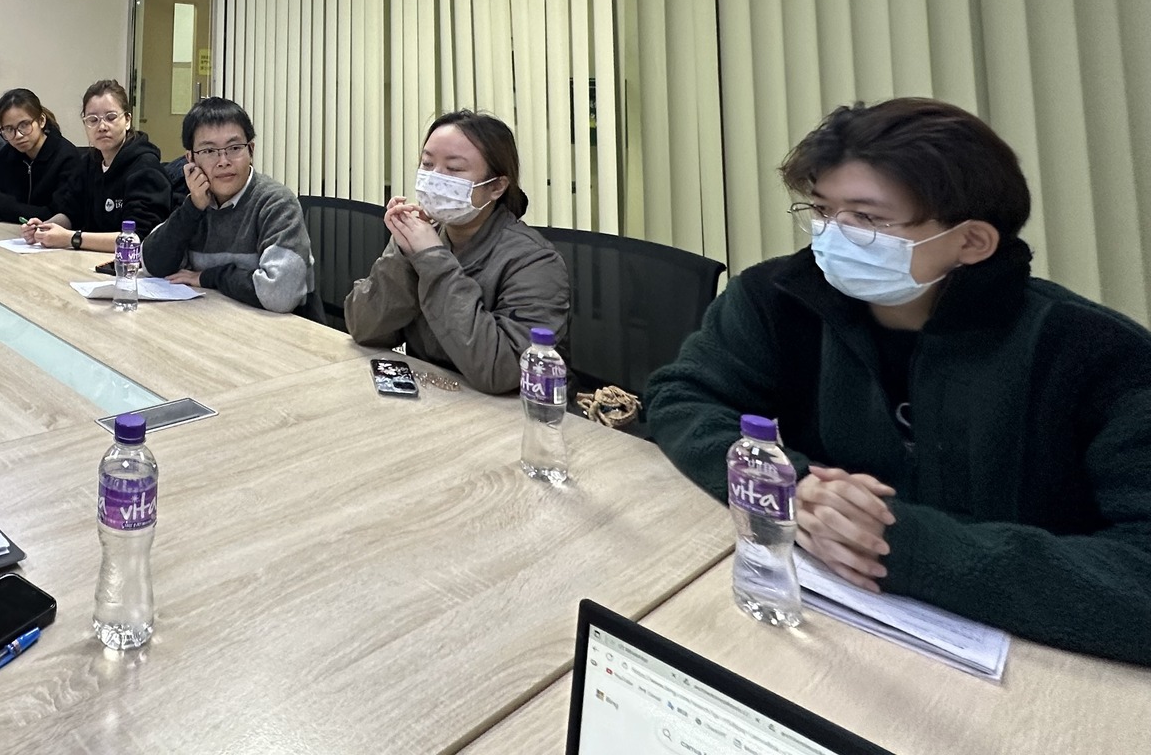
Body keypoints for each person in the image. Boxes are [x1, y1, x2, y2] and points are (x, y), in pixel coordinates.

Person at [647, 98, 1151, 664]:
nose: (832, 236)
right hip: (828, 627)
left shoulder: (1097, 354)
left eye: (868, 219)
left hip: (1040, 663)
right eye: (822, 210)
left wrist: (904, 546)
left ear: (971, 241)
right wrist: (789, 488)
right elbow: (683, 396)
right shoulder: (778, 298)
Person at [344, 110, 570, 395]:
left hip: (504, 411)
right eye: (427, 164)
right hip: (432, 395)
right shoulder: (424, 234)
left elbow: (501, 370)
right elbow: (364, 329)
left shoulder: (535, 262)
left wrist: (432, 258)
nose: (434, 178)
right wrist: (403, 252)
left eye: (454, 169)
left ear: (496, 187)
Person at [144, 97, 312, 313]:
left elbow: (279, 294)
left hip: (277, 328)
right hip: (215, 318)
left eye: (234, 148)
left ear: (251, 151)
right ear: (190, 159)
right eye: (209, 151)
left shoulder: (276, 203)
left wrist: (209, 277)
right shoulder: (197, 202)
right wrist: (192, 208)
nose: (223, 161)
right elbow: (152, 266)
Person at [23, 79, 171, 252]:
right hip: (89, 257)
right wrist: (44, 229)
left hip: (128, 264)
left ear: (127, 120)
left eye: (111, 117)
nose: (102, 127)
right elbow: (71, 212)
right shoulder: (90, 162)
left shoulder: (146, 168)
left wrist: (72, 238)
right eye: (92, 120)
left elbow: (138, 238)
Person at [0, 87, 79, 224]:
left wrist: (0, 202)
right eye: (9, 129)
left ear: (41, 121)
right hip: (6, 231)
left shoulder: (66, 158)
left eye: (24, 125)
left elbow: (56, 216)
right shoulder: (6, 154)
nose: (18, 135)